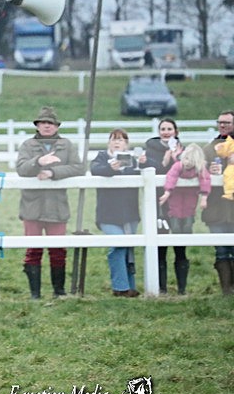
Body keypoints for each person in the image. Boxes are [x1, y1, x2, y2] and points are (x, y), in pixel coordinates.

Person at [16, 106, 84, 299]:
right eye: (43, 123)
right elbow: (21, 169)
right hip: (32, 205)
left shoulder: (67, 145)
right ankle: (35, 294)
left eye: (50, 123)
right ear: (37, 126)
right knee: (33, 249)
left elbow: (78, 168)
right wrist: (39, 162)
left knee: (58, 250)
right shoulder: (28, 146)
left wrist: (53, 172)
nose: (46, 126)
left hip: (57, 204)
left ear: (56, 126)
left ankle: (59, 291)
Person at [90, 130, 143, 297]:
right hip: (108, 213)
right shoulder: (101, 158)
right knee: (118, 245)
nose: (117, 142)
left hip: (130, 212)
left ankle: (130, 286)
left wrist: (144, 163)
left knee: (128, 248)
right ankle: (120, 287)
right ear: (108, 143)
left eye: (121, 140)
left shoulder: (133, 160)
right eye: (114, 139)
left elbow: (146, 171)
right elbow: (95, 169)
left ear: (126, 144)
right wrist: (110, 169)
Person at [158, 143, 211, 294]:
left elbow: (205, 179)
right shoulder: (178, 166)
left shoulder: (199, 169)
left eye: (190, 160)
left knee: (187, 222)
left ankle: (185, 238)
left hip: (189, 200)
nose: (187, 162)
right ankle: (177, 235)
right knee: (175, 222)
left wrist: (204, 197)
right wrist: (168, 192)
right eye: (186, 158)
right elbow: (171, 177)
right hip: (175, 199)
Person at [141, 118, 184, 293]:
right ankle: (162, 287)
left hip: (180, 201)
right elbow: (150, 169)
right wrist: (165, 162)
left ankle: (182, 288)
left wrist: (176, 159)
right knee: (160, 245)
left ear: (175, 131)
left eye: (169, 129)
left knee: (180, 245)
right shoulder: (151, 149)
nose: (166, 132)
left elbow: (187, 169)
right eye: (163, 129)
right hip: (158, 202)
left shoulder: (182, 149)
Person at [202, 110, 234, 295]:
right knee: (222, 250)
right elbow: (198, 172)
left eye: (227, 123)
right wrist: (209, 171)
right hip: (216, 207)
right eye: (220, 122)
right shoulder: (209, 148)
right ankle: (226, 289)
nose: (223, 126)